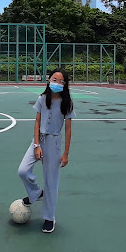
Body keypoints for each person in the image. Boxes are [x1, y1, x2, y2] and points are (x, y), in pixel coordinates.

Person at [17, 68, 75, 233]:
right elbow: (37, 122)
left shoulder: (67, 103)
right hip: (38, 141)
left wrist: (66, 153)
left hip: (54, 143)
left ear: (65, 84)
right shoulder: (42, 99)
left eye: (61, 81)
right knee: (23, 170)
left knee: (51, 182)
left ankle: (49, 218)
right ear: (49, 81)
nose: (57, 83)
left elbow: (68, 130)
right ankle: (36, 193)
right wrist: (36, 145)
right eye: (54, 80)